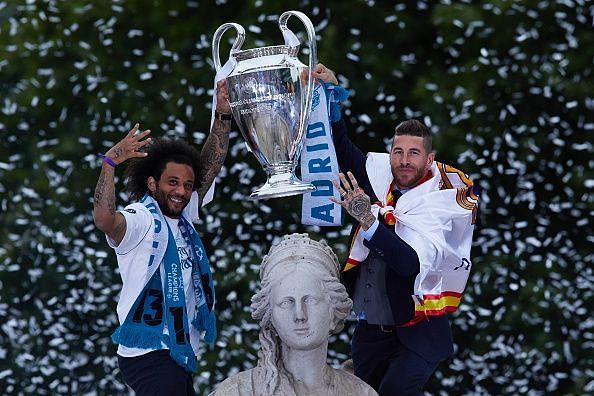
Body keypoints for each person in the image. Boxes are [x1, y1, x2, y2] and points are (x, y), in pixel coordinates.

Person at [313, 64, 479, 396]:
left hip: (417, 336)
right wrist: (331, 97)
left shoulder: (441, 203)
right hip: (369, 335)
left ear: (429, 158)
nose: (404, 160)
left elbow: (409, 263)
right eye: (398, 152)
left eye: (413, 153)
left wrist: (369, 223)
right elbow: (343, 149)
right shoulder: (380, 183)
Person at [93, 80, 232, 395]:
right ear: (152, 184)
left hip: (177, 353)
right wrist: (110, 163)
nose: (182, 191)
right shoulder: (142, 219)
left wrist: (223, 117)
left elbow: (209, 166)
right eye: (173, 182)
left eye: (187, 185)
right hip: (149, 352)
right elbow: (104, 219)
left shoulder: (183, 219)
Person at [211, 233, 378, 396]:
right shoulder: (237, 391)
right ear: (271, 316)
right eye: (286, 303)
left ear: (333, 310)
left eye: (310, 300)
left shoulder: (360, 392)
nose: (299, 315)